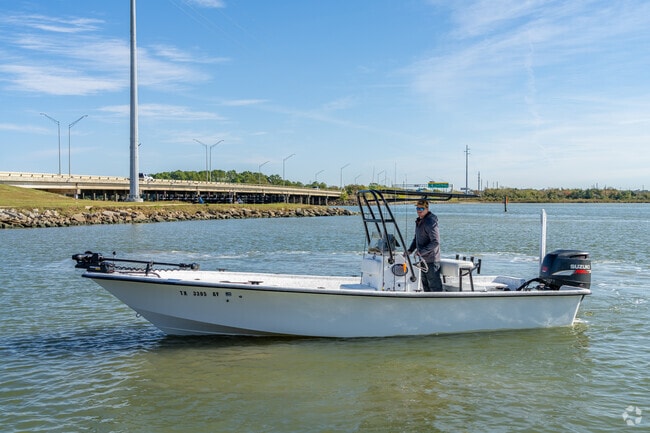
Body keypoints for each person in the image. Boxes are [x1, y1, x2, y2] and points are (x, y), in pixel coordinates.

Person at [407, 199, 443, 292]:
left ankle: (438, 305)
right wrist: (410, 250)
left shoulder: (430, 222)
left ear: (427, 209)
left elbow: (436, 242)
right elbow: (416, 238)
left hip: (431, 260)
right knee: (425, 286)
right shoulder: (419, 221)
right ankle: (428, 305)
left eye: (421, 208)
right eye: (417, 208)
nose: (419, 210)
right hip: (423, 260)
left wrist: (421, 252)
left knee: (434, 287)